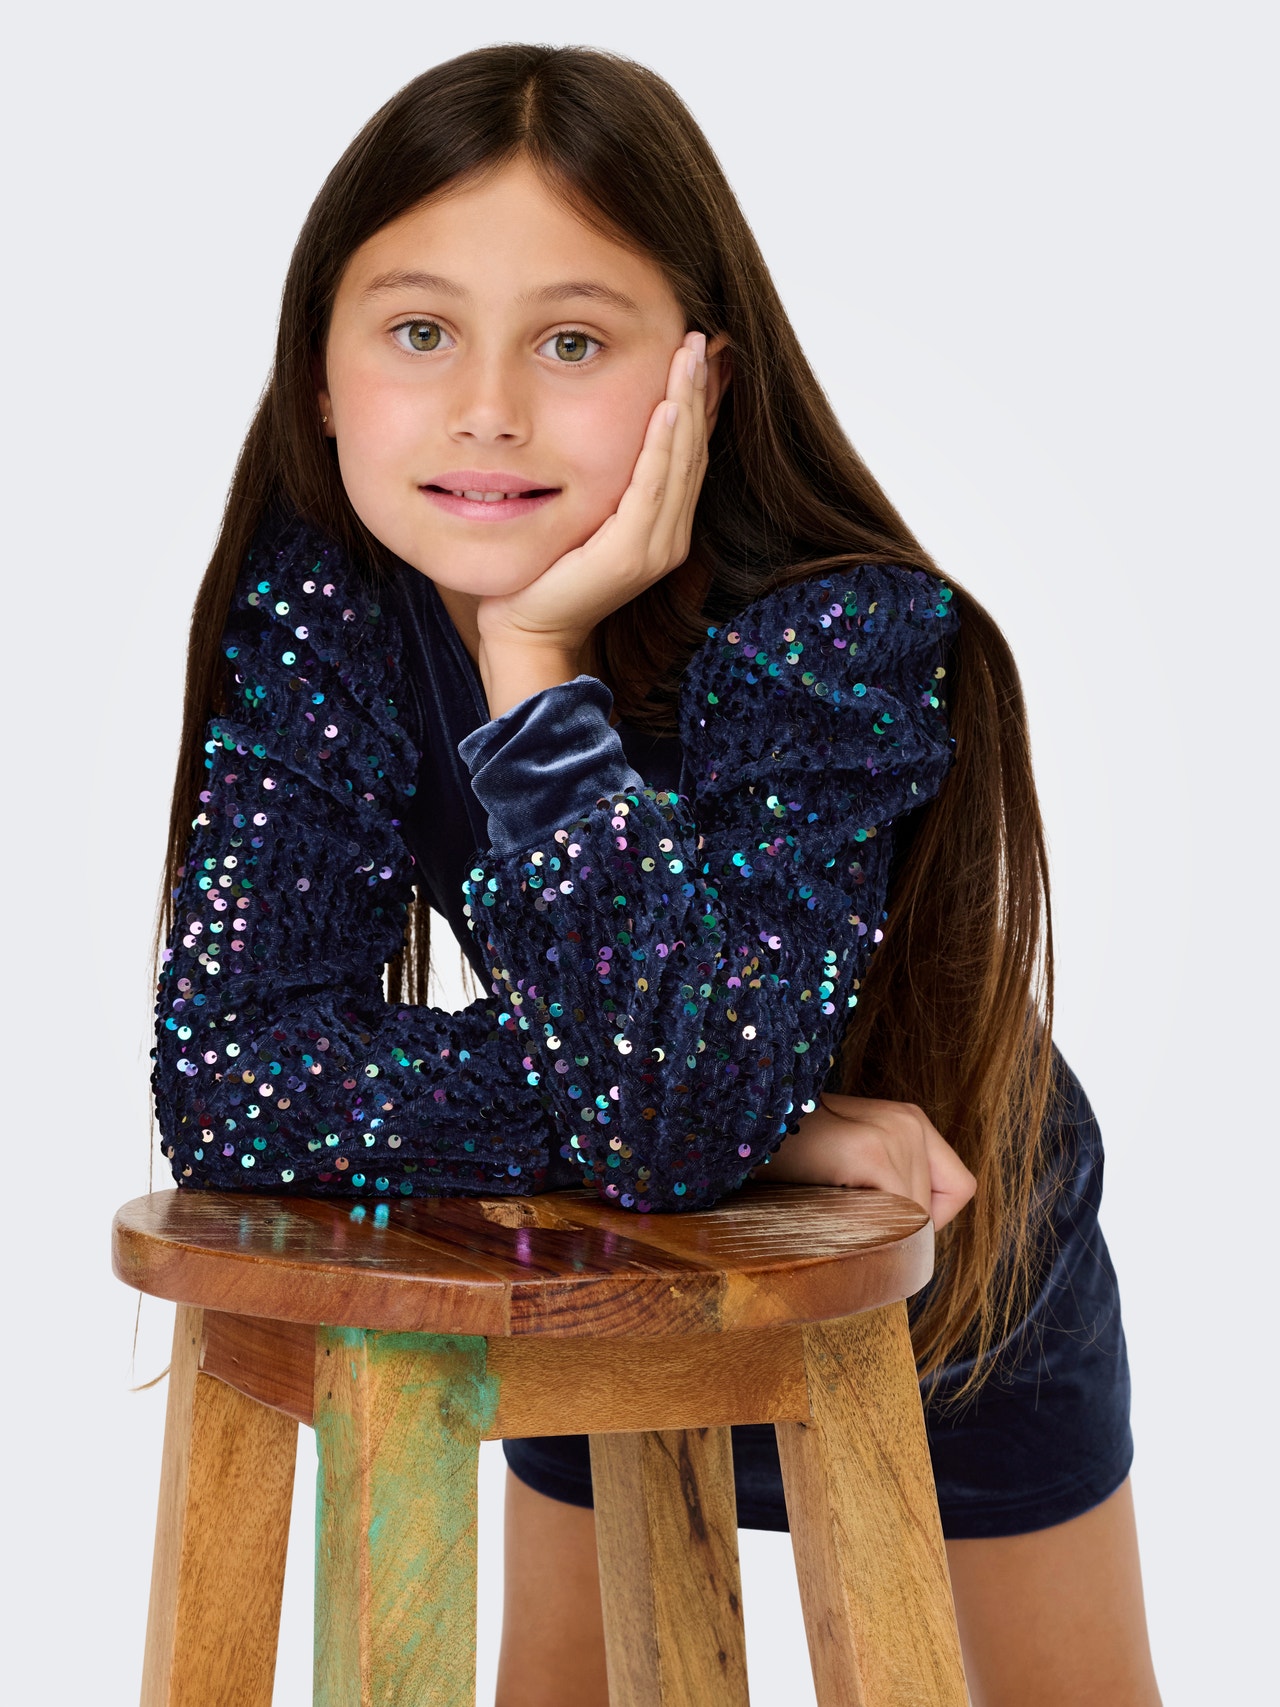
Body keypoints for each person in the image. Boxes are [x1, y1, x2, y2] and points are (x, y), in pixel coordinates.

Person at [150, 43, 1161, 1705]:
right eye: (419, 333)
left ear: (702, 373)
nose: (488, 408)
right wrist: (784, 1128)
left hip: (945, 1241)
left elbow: (677, 1109)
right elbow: (234, 1078)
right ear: (318, 375)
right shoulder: (333, 601)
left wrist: (534, 669)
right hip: (611, 1230)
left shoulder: (833, 629)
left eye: (571, 342)